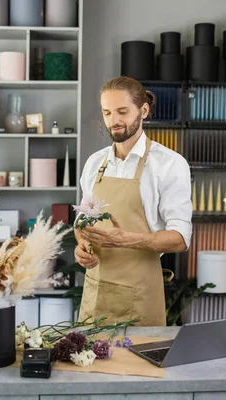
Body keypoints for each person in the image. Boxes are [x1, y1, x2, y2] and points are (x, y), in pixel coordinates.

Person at [75, 76, 192, 326]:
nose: (113, 121)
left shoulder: (169, 164)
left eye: (122, 111)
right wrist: (81, 247)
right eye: (107, 113)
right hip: (95, 292)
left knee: (136, 364)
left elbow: (181, 239)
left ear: (144, 110)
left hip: (139, 295)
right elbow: (83, 222)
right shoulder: (95, 163)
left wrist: (127, 240)